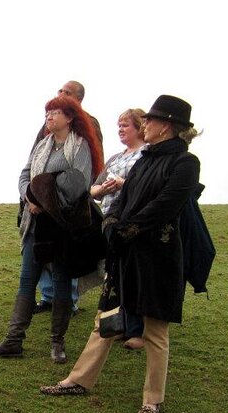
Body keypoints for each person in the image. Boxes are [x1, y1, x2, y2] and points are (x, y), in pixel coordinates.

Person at [40, 95, 201, 413]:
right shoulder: (145, 159)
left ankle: (152, 400)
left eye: (151, 121)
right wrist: (113, 225)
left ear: (167, 126)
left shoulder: (185, 164)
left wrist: (126, 229)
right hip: (126, 254)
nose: (146, 125)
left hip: (159, 256)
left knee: (155, 331)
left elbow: (165, 205)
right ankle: (77, 381)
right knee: (106, 321)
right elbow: (126, 197)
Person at [0, 95, 104, 362]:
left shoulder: (80, 146)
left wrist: (43, 201)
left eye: (55, 113)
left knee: (62, 280)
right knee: (28, 280)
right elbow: (26, 174)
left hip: (63, 227)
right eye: (47, 113)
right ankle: (13, 340)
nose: (49, 118)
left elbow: (78, 184)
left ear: (70, 117)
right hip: (36, 225)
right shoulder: (42, 146)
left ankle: (57, 343)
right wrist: (30, 196)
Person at [34, 80, 102, 315]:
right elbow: (35, 155)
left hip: (68, 203)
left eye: (67, 93)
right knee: (42, 250)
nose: (61, 94)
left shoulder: (88, 124)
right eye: (60, 91)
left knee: (67, 252)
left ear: (78, 99)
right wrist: (33, 193)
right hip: (40, 200)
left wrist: (84, 191)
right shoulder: (50, 124)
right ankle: (47, 296)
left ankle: (68, 301)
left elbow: (92, 159)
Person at [90, 108, 146, 349]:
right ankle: (116, 324)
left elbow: (147, 189)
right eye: (119, 126)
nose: (120, 130)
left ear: (139, 127)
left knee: (133, 275)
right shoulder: (115, 158)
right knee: (113, 274)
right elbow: (93, 189)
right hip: (110, 222)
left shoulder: (147, 156)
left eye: (126, 125)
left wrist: (123, 184)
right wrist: (104, 189)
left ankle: (137, 331)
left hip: (134, 223)